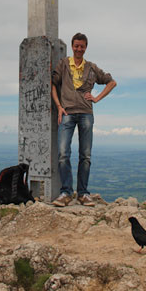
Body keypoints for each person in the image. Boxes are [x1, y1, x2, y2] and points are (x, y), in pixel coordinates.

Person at [51, 32, 116, 207]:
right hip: (67, 114)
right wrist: (58, 106)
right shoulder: (64, 64)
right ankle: (65, 193)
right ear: (72, 47)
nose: (79, 49)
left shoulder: (92, 68)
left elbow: (111, 82)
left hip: (86, 113)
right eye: (76, 46)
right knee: (63, 153)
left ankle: (83, 194)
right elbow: (53, 84)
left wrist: (97, 98)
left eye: (82, 46)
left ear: (86, 48)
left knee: (85, 155)